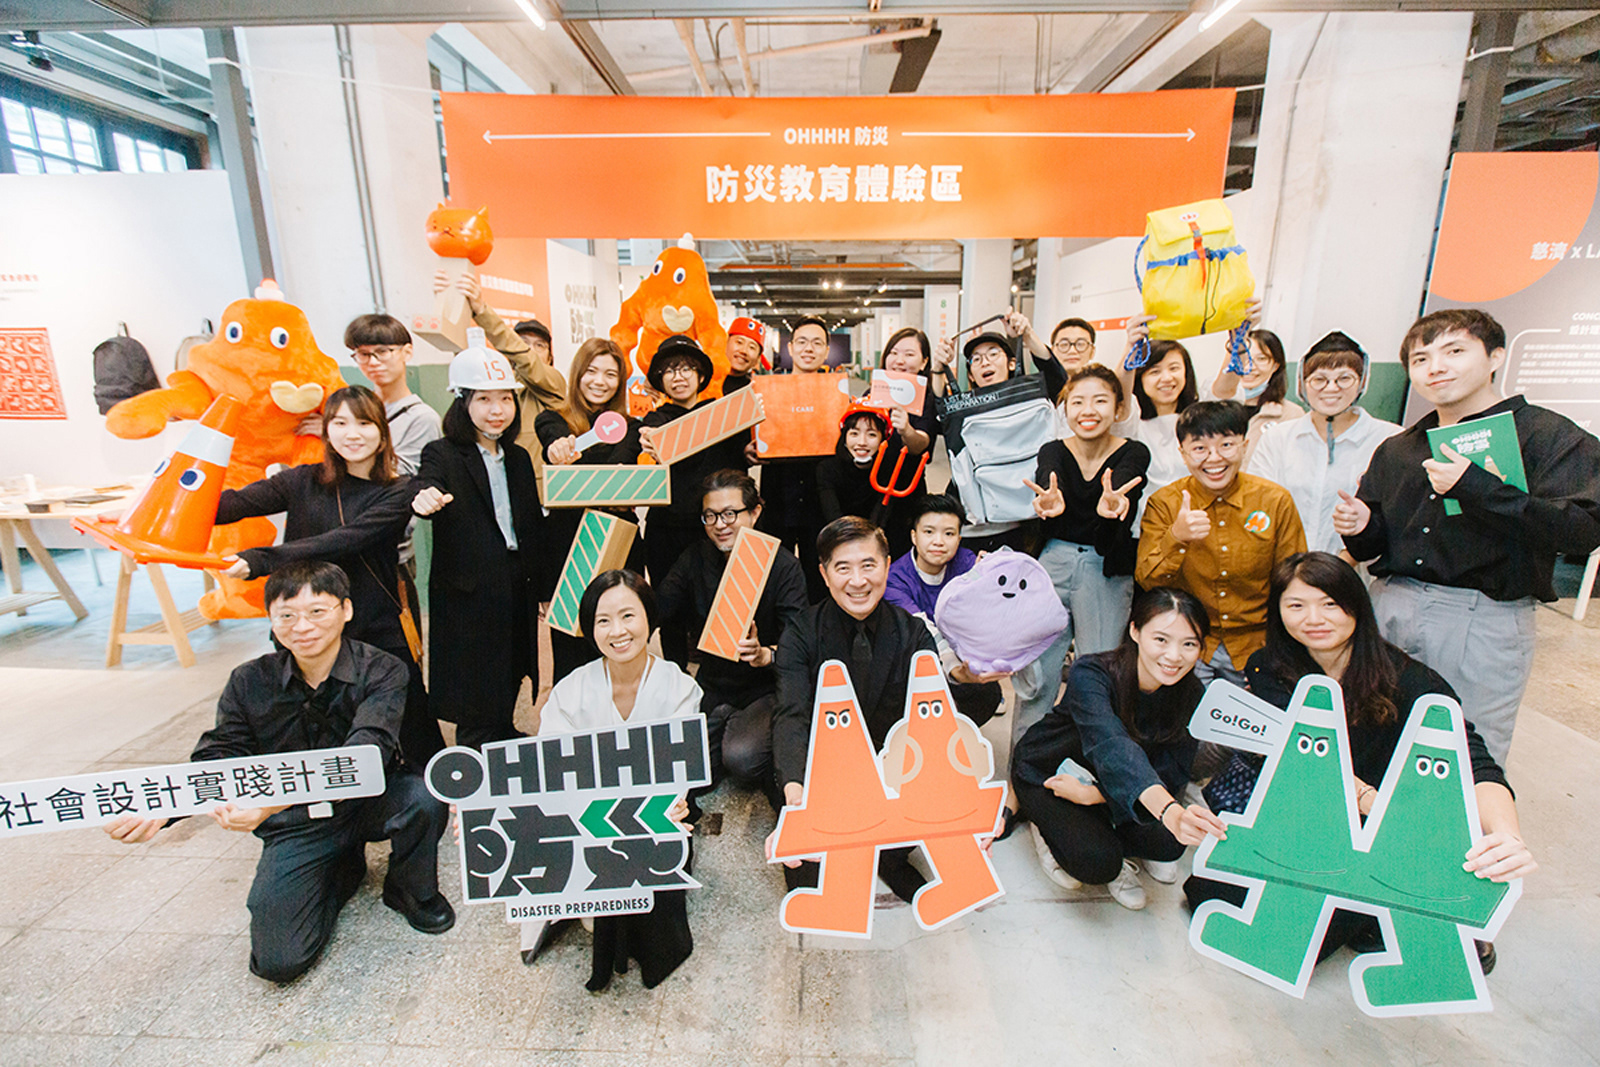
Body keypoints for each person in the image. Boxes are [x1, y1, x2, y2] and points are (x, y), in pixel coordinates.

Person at [1185, 551, 1537, 971]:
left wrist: (1507, 834)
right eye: (1295, 605)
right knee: (1210, 895)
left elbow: (1473, 763)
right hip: (1306, 821)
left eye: (1330, 604)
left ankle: (1411, 909)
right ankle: (1381, 910)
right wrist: (1359, 797)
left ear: (1356, 606)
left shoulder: (1411, 681)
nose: (1313, 618)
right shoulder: (1268, 668)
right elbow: (1288, 759)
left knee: (1307, 940)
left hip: (1382, 833)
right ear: (1278, 612)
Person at [104, 561, 452, 982]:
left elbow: (366, 754)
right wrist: (165, 805)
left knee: (424, 797)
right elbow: (221, 754)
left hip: (367, 801)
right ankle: (338, 869)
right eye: (286, 615)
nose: (302, 626)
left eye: (317, 611)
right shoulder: (249, 680)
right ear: (270, 619)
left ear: (346, 610)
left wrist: (271, 802)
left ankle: (408, 890)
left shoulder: (383, 669)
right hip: (296, 823)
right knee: (279, 961)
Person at [1336, 308, 1600, 763]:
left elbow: (1582, 531)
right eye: (1420, 359)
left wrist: (1477, 487)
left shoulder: (1546, 435)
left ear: (1495, 356)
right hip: (1391, 604)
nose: (1435, 367)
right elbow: (1377, 545)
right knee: (1373, 738)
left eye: (1454, 351)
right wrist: (1362, 528)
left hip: (1483, 617)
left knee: (1463, 751)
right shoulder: (1399, 447)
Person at [216, 385, 443, 767]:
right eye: (340, 423)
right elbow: (231, 504)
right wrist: (158, 499)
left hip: (376, 623)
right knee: (308, 720)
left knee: (412, 721)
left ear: (382, 433)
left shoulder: (398, 491)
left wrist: (261, 560)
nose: (352, 434)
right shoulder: (301, 480)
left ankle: (436, 788)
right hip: (307, 622)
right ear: (326, 432)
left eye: (364, 423)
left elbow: (342, 541)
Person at [532, 569, 699, 989]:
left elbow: (677, 773)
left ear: (649, 618)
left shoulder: (680, 688)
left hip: (654, 815)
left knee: (651, 869)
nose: (618, 631)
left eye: (628, 615)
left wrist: (669, 805)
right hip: (589, 817)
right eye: (603, 620)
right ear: (590, 630)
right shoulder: (571, 691)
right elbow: (547, 770)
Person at [1012, 586, 1228, 910]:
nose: (1174, 656)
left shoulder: (1192, 694)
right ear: (1135, 631)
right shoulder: (1092, 673)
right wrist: (1167, 811)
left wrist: (1098, 795)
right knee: (1098, 863)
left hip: (1110, 787)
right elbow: (1111, 744)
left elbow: (1173, 769)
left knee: (1171, 843)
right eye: (1161, 639)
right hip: (1054, 772)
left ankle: (1102, 829)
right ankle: (1046, 829)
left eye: (1189, 644)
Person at [769, 516, 937, 903]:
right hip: (822, 767)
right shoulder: (800, 633)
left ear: (887, 566)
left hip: (889, 766)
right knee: (808, 882)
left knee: (897, 844)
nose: (858, 581)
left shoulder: (913, 632)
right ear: (824, 574)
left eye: (868, 565)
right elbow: (792, 713)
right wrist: (795, 791)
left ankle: (888, 856)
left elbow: (929, 718)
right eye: (843, 568)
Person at [410, 345, 545, 750]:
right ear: (462, 401)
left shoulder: (517, 458)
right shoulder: (443, 454)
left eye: (506, 399)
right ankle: (476, 753)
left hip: (515, 580)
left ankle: (504, 735)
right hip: (469, 590)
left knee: (513, 665)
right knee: (475, 680)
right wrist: (424, 496)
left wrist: (542, 587)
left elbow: (531, 525)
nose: (497, 410)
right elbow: (426, 482)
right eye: (484, 399)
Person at [1016, 365, 1152, 747]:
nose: (1087, 410)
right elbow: (1049, 478)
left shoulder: (1134, 452)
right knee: (1036, 677)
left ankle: (1089, 768)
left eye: (1100, 401)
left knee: (1098, 678)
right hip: (1053, 564)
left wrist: (1114, 509)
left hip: (1106, 567)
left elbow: (1120, 499)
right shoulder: (1053, 450)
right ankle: (1024, 768)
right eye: (1077, 402)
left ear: (1118, 409)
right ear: (1066, 409)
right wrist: (1048, 502)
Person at [656, 470, 808, 806]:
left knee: (742, 758)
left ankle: (753, 735)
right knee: (688, 771)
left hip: (765, 687)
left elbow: (799, 644)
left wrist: (764, 653)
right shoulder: (695, 558)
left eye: (730, 514)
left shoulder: (783, 566)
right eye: (710, 516)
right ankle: (724, 730)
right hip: (713, 684)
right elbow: (662, 605)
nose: (719, 525)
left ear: (754, 512)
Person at [1136, 400, 1306, 687]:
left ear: (1244, 445)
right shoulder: (1165, 504)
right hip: (1187, 644)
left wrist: (1282, 652)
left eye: (1226, 445)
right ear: (1183, 453)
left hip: (1257, 645)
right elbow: (1148, 581)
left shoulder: (1275, 501)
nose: (1214, 458)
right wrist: (1176, 537)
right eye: (1199, 448)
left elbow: (1294, 583)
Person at [536, 337, 646, 681]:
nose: (600, 381)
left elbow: (617, 466)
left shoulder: (631, 427)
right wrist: (557, 448)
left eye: (610, 374)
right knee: (571, 651)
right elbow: (552, 438)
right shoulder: (553, 420)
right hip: (568, 546)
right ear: (578, 374)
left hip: (620, 542)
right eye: (592, 371)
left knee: (621, 637)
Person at [639, 335, 747, 667]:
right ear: (660, 380)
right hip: (666, 531)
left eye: (686, 368)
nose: (679, 376)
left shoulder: (722, 414)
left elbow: (741, 459)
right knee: (668, 609)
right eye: (670, 370)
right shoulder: (655, 422)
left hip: (714, 528)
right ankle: (674, 673)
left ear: (700, 375)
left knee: (717, 604)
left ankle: (720, 677)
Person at [1248, 331, 1400, 557]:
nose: (1331, 388)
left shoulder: (1390, 440)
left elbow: (1394, 520)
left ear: (1362, 382)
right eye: (1319, 379)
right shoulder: (1278, 438)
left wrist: (1342, 565)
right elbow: (1258, 506)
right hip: (1285, 567)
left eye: (1344, 378)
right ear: (1303, 383)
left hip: (1355, 571)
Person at [883, 494, 1004, 727]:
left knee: (987, 693)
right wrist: (954, 670)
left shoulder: (967, 563)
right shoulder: (895, 579)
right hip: (912, 663)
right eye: (929, 532)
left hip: (958, 654)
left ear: (959, 538)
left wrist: (988, 584)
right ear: (914, 536)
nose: (938, 542)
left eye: (948, 534)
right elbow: (924, 629)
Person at [435, 270, 566, 466]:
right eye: (524, 343)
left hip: (535, 481)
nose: (531, 350)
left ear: (550, 356)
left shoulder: (554, 383)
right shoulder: (495, 383)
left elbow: (528, 360)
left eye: (540, 345)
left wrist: (482, 311)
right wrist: (447, 299)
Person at [928, 330, 1042, 553]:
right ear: (970, 375)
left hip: (1022, 521)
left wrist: (1027, 334)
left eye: (993, 354)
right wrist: (938, 368)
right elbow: (938, 404)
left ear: (1012, 363)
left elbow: (1056, 377)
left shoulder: (1031, 398)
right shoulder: (961, 410)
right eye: (976, 359)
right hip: (973, 525)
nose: (985, 362)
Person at [759, 317, 838, 601]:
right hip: (778, 497)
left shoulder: (835, 394)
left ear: (826, 351)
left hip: (820, 501)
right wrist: (752, 449)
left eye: (817, 343)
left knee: (817, 576)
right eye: (802, 342)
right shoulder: (768, 391)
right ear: (790, 348)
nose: (809, 349)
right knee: (774, 575)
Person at [816, 405, 925, 558]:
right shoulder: (827, 469)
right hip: (841, 542)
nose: (862, 442)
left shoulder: (892, 469)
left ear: (882, 440)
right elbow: (833, 515)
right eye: (854, 434)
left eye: (872, 435)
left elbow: (882, 516)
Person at [343, 314, 441, 477]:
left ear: (407, 352)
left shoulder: (422, 418)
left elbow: (405, 475)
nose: (373, 362)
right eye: (363, 354)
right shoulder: (352, 410)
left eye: (382, 352)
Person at [1120, 338, 1200, 511]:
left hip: (1197, 518)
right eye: (1155, 371)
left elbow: (1225, 390)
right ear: (1140, 377)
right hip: (1147, 521)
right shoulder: (1132, 425)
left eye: (1174, 368)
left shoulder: (1199, 420)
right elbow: (1121, 399)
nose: (1167, 378)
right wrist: (1130, 347)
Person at [1210, 328, 1303, 443]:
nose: (1250, 367)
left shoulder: (1291, 415)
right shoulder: (1213, 406)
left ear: (1275, 366)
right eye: (1245, 358)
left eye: (1261, 359)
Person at [878, 326, 940, 459]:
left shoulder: (927, 399)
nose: (899, 361)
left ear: (924, 362)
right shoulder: (873, 394)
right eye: (894, 353)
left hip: (905, 471)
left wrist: (906, 430)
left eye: (909, 354)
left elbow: (921, 445)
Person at [723, 316, 768, 394]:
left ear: (757, 359)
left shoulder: (757, 392)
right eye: (739, 342)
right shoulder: (704, 381)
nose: (744, 351)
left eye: (752, 347)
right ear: (725, 344)